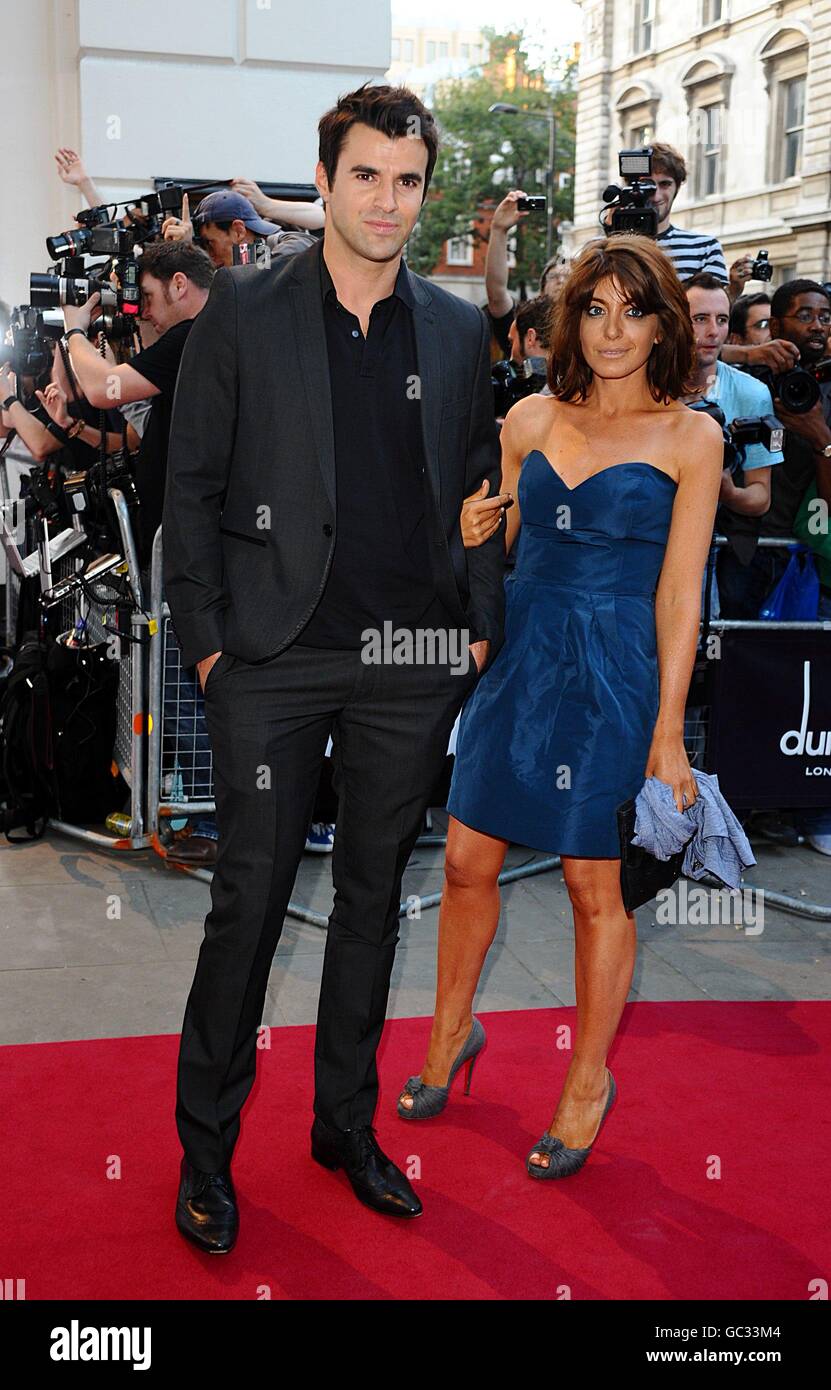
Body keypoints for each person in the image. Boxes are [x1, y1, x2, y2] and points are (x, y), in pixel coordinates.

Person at [163, 81, 505, 1251]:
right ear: (323, 181)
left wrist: (474, 627)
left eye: (408, 179)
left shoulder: (458, 330)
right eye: (366, 174)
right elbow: (191, 487)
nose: (388, 199)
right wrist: (208, 646)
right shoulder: (245, 312)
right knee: (248, 903)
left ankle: (344, 1127)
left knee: (373, 905)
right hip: (270, 655)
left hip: (409, 660)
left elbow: (477, 490)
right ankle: (205, 1155)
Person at [396, 233, 724, 1179]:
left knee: (594, 887)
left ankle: (585, 1080)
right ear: (568, 320)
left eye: (634, 309)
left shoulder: (688, 436)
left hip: (617, 674)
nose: (613, 328)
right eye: (595, 308)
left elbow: (679, 595)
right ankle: (450, 1034)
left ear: (662, 325)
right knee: (464, 860)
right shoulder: (529, 417)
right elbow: (491, 548)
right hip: (523, 663)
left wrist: (667, 736)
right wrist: (469, 534)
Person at [60, 240, 215, 569]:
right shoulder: (203, 332)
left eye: (147, 297)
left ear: (178, 284)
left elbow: (104, 388)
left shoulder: (193, 337)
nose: (143, 310)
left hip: (187, 542)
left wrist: (74, 328)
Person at [161, 189, 317, 268]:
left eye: (211, 244)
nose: (212, 257)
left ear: (238, 230)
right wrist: (186, 252)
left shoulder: (294, 242)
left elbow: (266, 270)